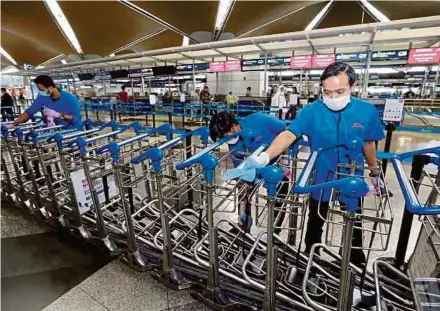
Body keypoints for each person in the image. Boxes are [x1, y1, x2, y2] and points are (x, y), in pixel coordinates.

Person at [247, 62, 385, 267]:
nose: (333, 98)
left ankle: (354, 261)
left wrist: (374, 170)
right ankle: (310, 258)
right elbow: (289, 134)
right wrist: (265, 157)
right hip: (321, 175)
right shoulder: (312, 111)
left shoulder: (366, 111)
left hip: (352, 177)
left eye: (340, 91)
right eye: (327, 92)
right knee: (316, 219)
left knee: (354, 220)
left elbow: (368, 142)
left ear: (353, 86)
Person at [209, 111, 289, 234]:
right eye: (223, 139)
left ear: (234, 124)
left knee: (278, 197)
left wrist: (282, 153)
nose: (228, 140)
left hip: (276, 162)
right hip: (251, 167)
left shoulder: (260, 120)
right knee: (242, 191)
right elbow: (238, 167)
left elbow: (286, 131)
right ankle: (244, 224)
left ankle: (275, 231)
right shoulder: (233, 145)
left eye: (228, 135)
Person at [10, 75, 81, 129]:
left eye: (41, 89)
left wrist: (59, 115)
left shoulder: (69, 98)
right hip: (54, 129)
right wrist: (13, 124)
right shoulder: (42, 97)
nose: (40, 92)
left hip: (72, 130)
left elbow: (75, 118)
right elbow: (28, 113)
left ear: (50, 88)